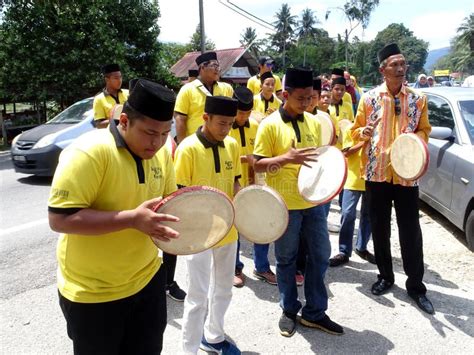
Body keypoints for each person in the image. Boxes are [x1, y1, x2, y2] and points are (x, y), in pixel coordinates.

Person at [48, 79, 180, 354]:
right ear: (124, 121)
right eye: (149, 132)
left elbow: (168, 204)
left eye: (165, 133)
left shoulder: (162, 152)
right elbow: (60, 219)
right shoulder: (89, 152)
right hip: (92, 292)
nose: (156, 143)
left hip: (147, 279)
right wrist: (132, 219)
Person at [253, 68, 343, 337]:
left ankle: (314, 312)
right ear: (285, 95)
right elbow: (257, 164)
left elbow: (320, 159)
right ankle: (289, 309)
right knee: (286, 259)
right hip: (285, 205)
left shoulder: (314, 122)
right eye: (301, 98)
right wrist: (284, 159)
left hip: (313, 203)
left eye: (310, 99)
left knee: (319, 255)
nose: (306, 104)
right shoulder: (269, 125)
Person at [351, 43, 434, 314]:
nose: (400, 69)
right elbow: (355, 132)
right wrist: (363, 132)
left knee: (411, 230)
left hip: (407, 176)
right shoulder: (369, 98)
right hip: (376, 173)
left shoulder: (418, 99)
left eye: (403, 64)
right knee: (380, 228)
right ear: (382, 69)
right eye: (394, 65)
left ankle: (416, 286)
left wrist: (411, 144)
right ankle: (385, 276)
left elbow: (425, 130)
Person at [176, 95, 242, 354]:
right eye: (221, 123)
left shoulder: (232, 145)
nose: (226, 129)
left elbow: (236, 181)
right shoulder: (187, 149)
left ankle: (213, 337)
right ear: (206, 118)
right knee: (197, 297)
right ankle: (188, 350)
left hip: (228, 230)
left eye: (230, 124)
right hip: (198, 235)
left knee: (224, 289)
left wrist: (245, 208)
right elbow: (179, 196)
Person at [229, 87, 276, 287]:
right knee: (235, 225)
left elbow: (261, 153)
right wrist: (244, 158)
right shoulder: (225, 127)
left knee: (260, 222)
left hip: (254, 180)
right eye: (240, 113)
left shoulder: (256, 127)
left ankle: (262, 266)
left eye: (247, 113)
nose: (244, 117)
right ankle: (235, 267)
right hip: (231, 182)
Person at [329, 128, 376, 267]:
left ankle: (362, 247)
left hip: (372, 179)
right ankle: (344, 251)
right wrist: (364, 142)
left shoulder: (381, 131)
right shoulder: (353, 129)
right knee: (347, 214)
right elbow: (345, 152)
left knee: (368, 215)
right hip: (353, 180)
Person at [174, 51, 233, 143]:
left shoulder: (227, 88)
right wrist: (182, 144)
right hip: (196, 143)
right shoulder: (187, 89)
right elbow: (180, 119)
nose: (217, 69)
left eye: (218, 66)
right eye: (214, 65)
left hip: (222, 142)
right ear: (202, 67)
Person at [93, 63, 129, 129]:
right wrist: (116, 120)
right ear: (107, 80)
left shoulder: (128, 93)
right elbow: (99, 125)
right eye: (116, 78)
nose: (119, 80)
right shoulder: (99, 99)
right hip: (112, 136)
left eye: (120, 77)